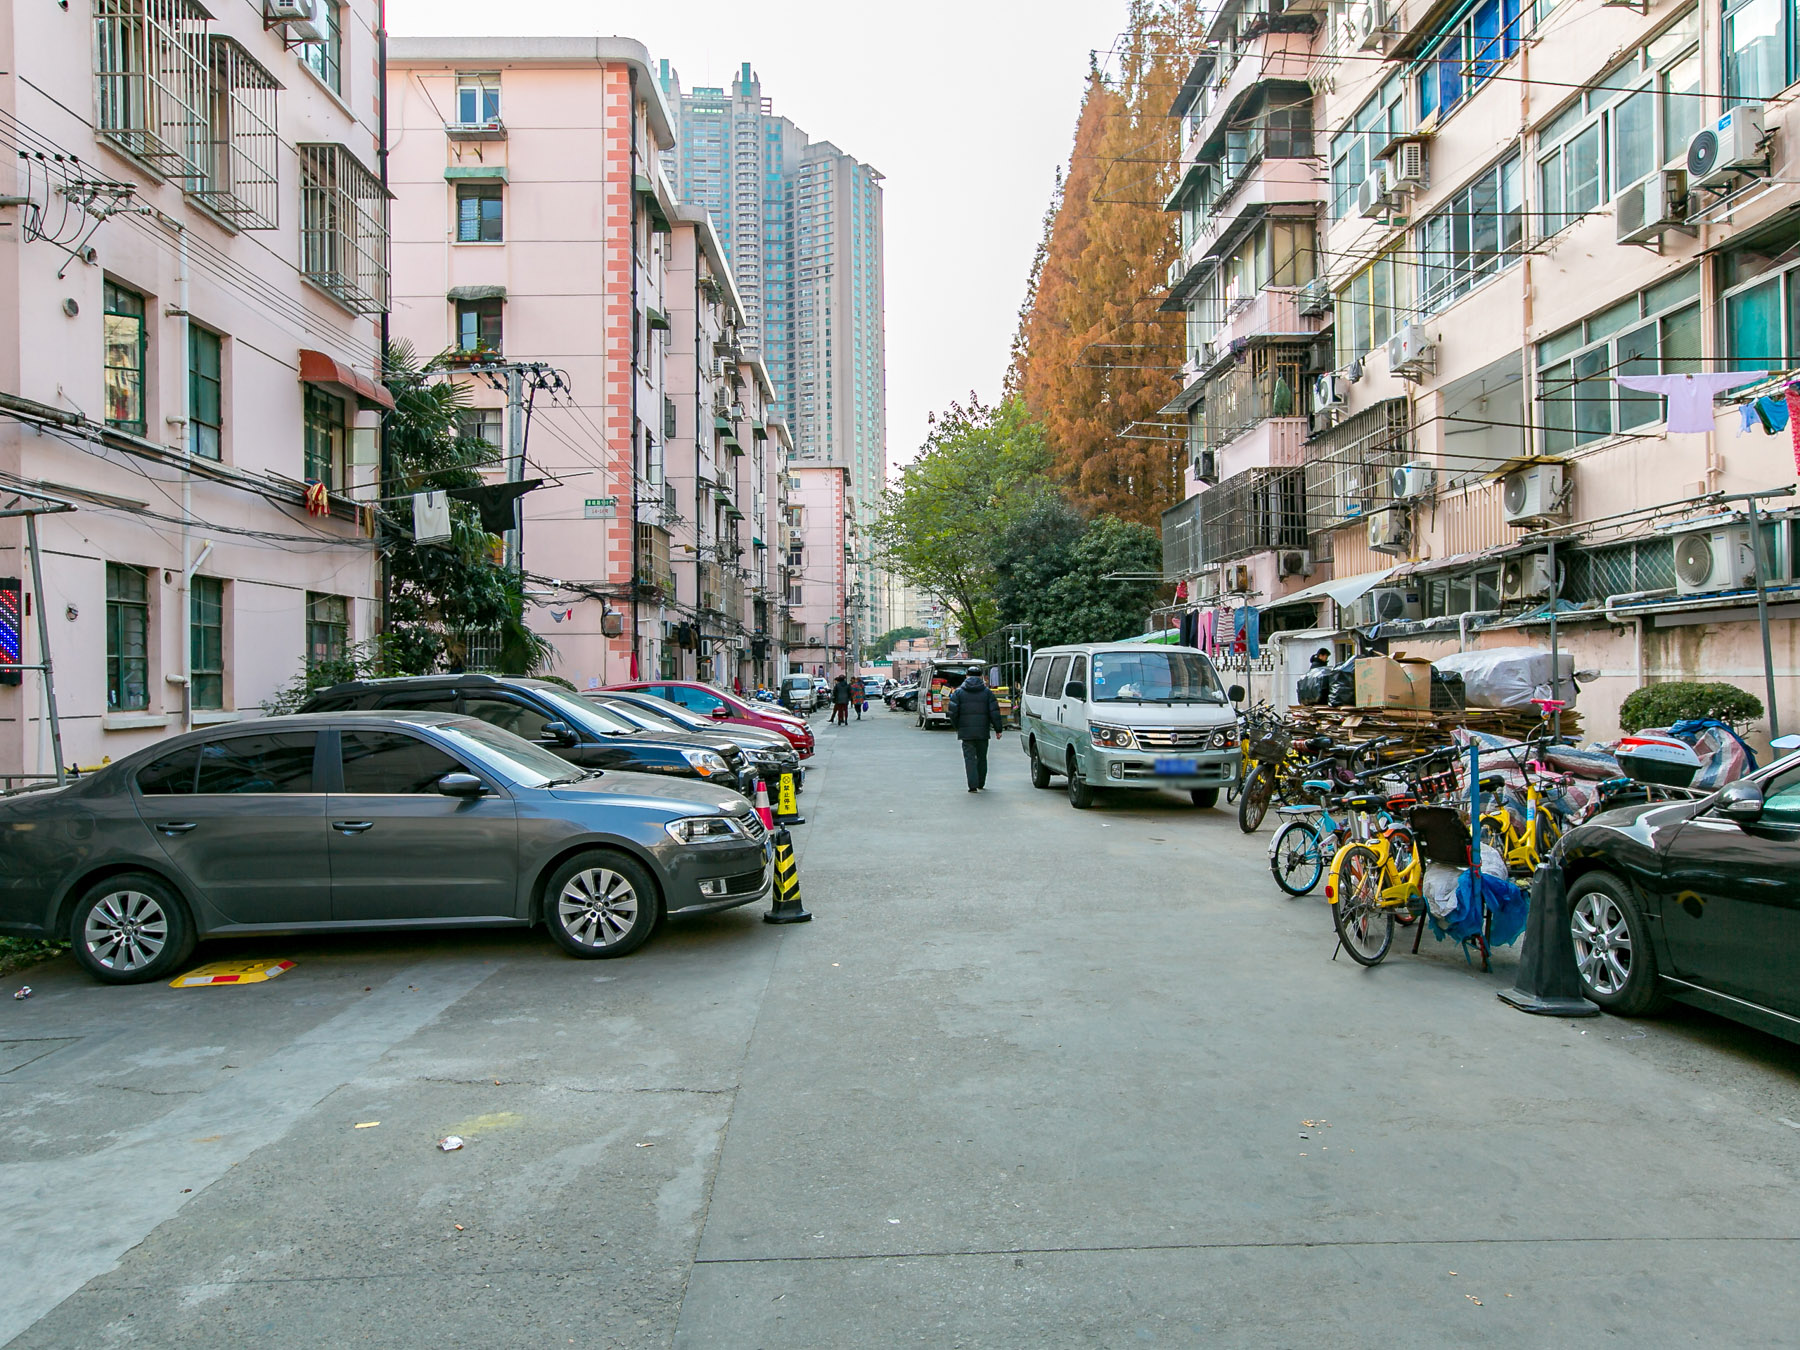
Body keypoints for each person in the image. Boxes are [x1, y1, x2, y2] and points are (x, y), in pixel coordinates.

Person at [946, 671, 1003, 792]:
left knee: (969, 758)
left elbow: (953, 712)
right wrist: (998, 729)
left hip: (966, 733)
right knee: (982, 757)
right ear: (981, 676)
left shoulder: (959, 693)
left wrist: (957, 726)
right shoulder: (987, 693)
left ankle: (972, 785)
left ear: (967, 676)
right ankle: (981, 783)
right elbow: (995, 712)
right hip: (982, 732)